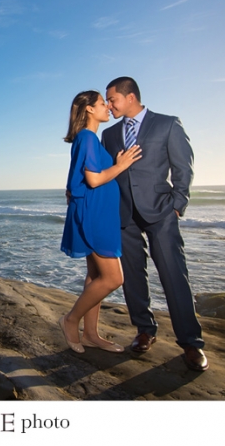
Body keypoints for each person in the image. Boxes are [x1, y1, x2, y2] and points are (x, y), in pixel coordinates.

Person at [101, 76, 208, 371]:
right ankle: (145, 330)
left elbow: (183, 168)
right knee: (133, 275)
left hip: (161, 213)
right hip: (124, 216)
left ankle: (191, 342)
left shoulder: (168, 124)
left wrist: (177, 206)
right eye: (108, 101)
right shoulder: (109, 135)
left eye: (113, 100)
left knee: (174, 274)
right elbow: (108, 172)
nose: (109, 105)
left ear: (130, 97)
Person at [59, 90, 142, 354]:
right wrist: (121, 165)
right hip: (94, 215)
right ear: (89, 110)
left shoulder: (89, 139)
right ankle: (70, 320)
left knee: (95, 275)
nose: (108, 107)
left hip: (97, 212)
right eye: (101, 103)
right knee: (113, 278)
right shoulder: (87, 138)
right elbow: (93, 179)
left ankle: (91, 334)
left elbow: (76, 179)